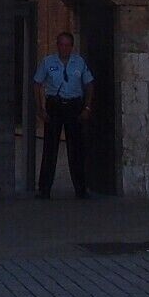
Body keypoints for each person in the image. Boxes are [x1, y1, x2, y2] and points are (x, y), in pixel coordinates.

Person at [31, 30, 94, 200]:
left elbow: (89, 84)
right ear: (57, 45)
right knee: (50, 148)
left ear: (72, 47)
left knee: (76, 149)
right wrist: (40, 108)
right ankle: (44, 189)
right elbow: (37, 83)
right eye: (61, 44)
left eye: (67, 45)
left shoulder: (79, 62)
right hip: (55, 105)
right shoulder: (48, 62)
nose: (64, 48)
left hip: (74, 106)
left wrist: (87, 107)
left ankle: (80, 189)